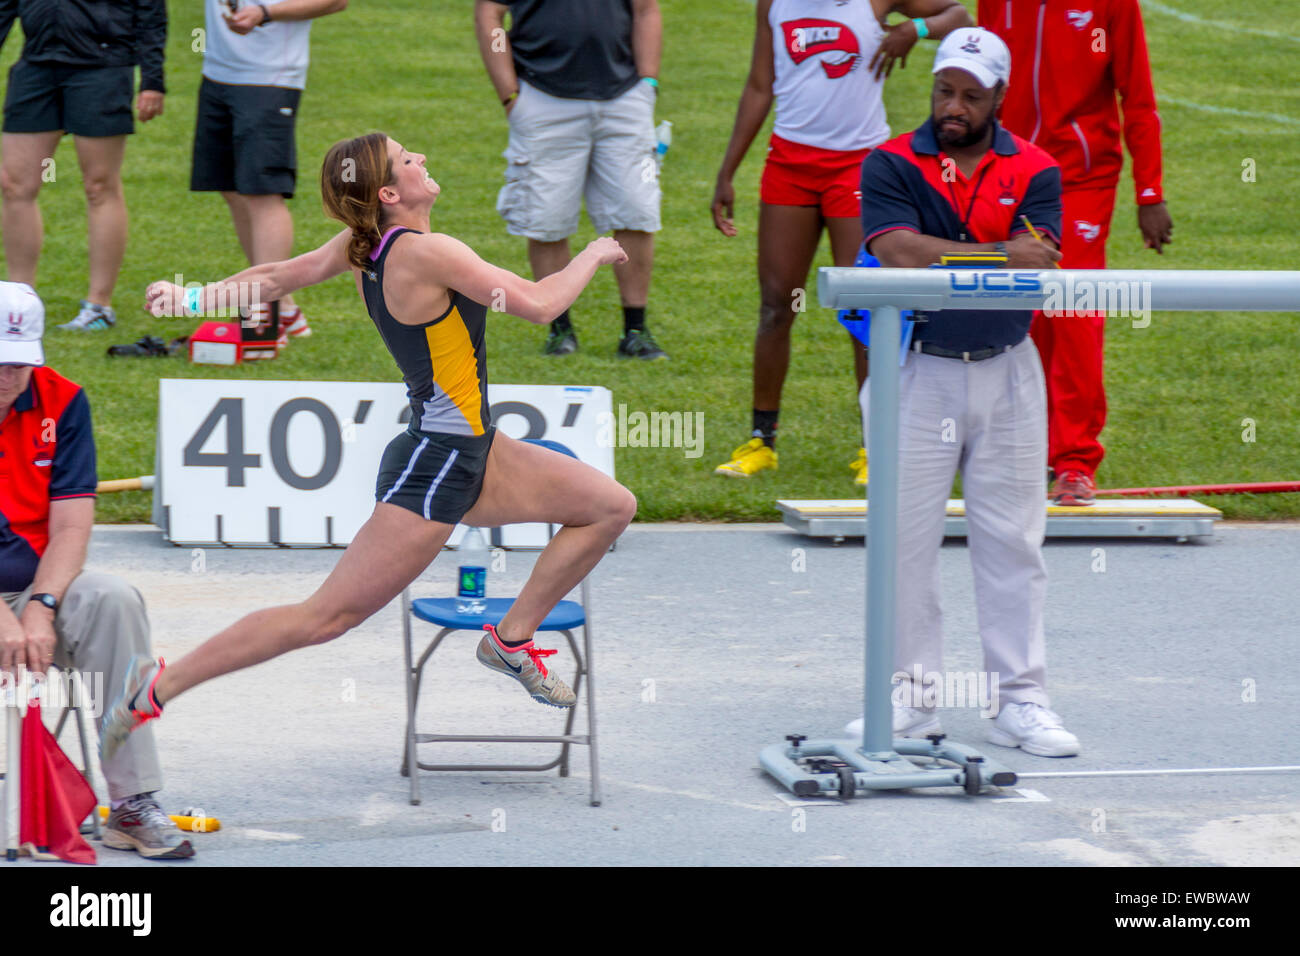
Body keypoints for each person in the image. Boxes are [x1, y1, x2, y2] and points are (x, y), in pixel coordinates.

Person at [100, 133, 637, 768]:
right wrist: (596, 252)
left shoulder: (367, 246)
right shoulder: (430, 253)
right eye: (411, 158)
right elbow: (543, 304)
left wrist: (192, 297)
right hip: (439, 464)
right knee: (324, 618)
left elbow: (279, 276)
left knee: (609, 506)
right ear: (388, 193)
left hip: (478, 450)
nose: (424, 158)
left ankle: (511, 640)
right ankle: (156, 689)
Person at [845, 28, 1080, 756]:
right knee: (903, 544)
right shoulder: (889, 160)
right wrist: (996, 253)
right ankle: (912, 701)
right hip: (918, 368)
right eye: (945, 90)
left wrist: (982, 257)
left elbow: (1034, 263)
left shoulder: (1038, 169)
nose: (953, 105)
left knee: (1014, 541)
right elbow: (895, 251)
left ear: (1000, 99)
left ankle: (1021, 699)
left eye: (970, 95)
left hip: (1009, 367)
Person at [711, 0, 971, 484]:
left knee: (867, 307)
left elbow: (960, 16)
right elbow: (758, 85)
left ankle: (877, 446)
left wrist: (914, 28)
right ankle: (761, 442)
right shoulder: (773, 4)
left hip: (858, 167)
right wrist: (727, 171)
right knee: (776, 305)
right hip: (789, 165)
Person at [0, 281, 194, 858]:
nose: (9, 376)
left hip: (35, 584)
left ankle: (132, 803)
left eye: (20, 362)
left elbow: (71, 526)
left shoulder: (63, 401)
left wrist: (42, 606)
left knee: (114, 598)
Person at [978, 0, 1173, 505]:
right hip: (1012, 174)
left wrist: (1149, 193)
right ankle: (1025, 447)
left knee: (1074, 309)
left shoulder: (1112, 6)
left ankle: (1075, 462)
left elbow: (1138, 94)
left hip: (1082, 180)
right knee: (1021, 309)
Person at [474, 0, 668, 360]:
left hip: (625, 98)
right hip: (541, 96)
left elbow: (646, 9)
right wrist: (509, 94)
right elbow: (490, 13)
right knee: (547, 220)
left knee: (636, 212)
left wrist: (649, 83)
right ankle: (560, 329)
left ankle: (636, 330)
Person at [0, 0, 167, 331]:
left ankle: (99, 306)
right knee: (14, 184)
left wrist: (152, 79)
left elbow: (150, 12)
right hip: (36, 67)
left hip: (102, 68)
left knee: (99, 186)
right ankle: (19, 302)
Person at [191, 0, 349, 342]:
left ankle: (264, 313)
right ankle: (283, 305)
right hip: (217, 72)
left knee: (262, 193)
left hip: (270, 76)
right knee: (232, 188)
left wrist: (265, 13)